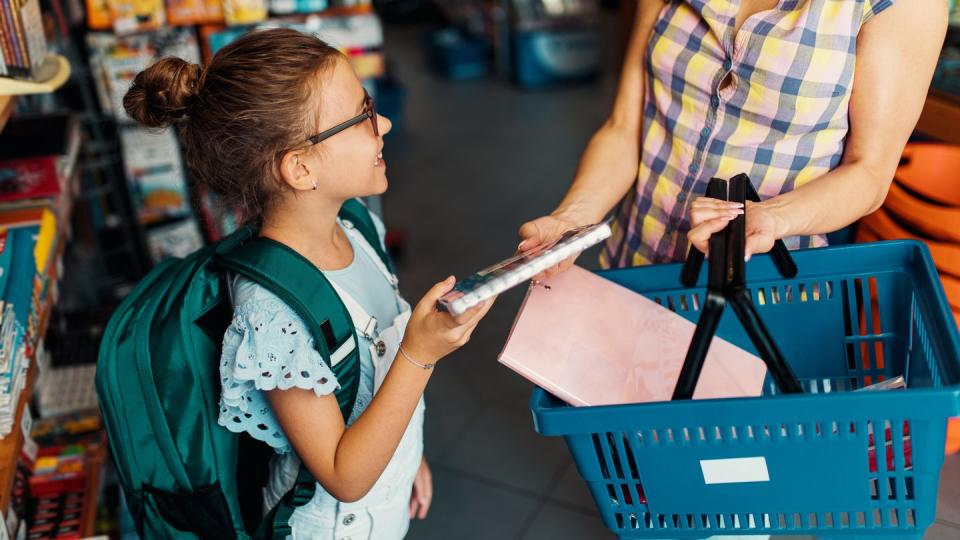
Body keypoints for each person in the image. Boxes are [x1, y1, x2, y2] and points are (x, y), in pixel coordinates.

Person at [123, 28, 493, 539]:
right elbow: (343, 474)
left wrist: (410, 452)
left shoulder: (359, 225)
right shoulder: (272, 313)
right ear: (299, 168)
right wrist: (419, 354)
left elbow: (371, 391)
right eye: (362, 115)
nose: (382, 121)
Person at [518, 0, 946, 272]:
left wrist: (768, 219)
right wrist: (574, 219)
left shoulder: (903, 7)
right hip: (635, 262)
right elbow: (625, 127)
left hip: (763, 282)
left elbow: (869, 172)